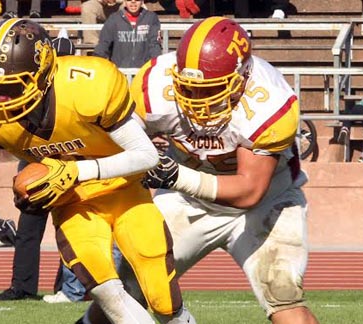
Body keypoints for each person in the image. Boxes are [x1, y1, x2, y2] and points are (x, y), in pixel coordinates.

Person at [82, 16, 319, 324]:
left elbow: (250, 191)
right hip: (186, 201)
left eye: (210, 90)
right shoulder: (155, 83)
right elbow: (116, 141)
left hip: (265, 205)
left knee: (283, 296)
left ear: (242, 77)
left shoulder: (270, 100)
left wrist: (176, 176)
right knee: (127, 290)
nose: (197, 100)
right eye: (189, 89)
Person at [0, 18, 195, 323]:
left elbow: (147, 155)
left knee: (162, 298)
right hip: (73, 204)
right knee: (105, 289)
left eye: (10, 86)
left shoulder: (86, 87)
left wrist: (77, 172)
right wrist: (27, 190)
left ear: (43, 73)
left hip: (124, 192)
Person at [0, 34, 80, 302]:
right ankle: (22, 285)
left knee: (72, 230)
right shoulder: (33, 86)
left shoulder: (79, 89)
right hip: (38, 161)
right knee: (28, 230)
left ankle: (67, 289)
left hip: (70, 164)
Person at [93, 0, 162, 68]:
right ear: (124, 2)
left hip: (143, 71)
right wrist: (96, 64)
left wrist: (156, 66)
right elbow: (103, 44)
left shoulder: (151, 18)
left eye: (137, 0)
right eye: (129, 0)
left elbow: (154, 45)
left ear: (142, 1)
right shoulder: (114, 18)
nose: (133, 1)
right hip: (119, 70)